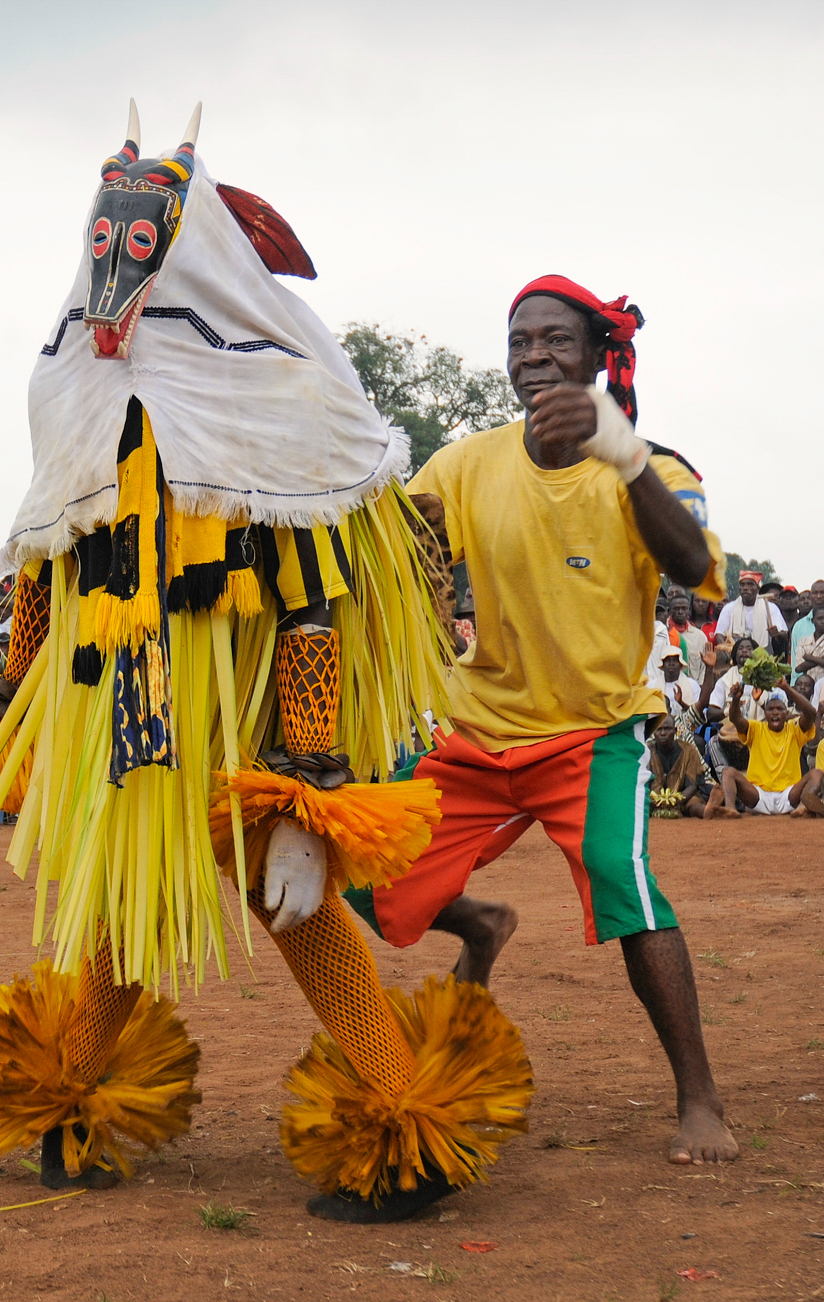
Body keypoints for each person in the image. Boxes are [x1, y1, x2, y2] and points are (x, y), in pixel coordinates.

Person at [0, 103, 517, 1226]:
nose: (113, 272)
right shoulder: (69, 392)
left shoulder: (277, 399)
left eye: (140, 247)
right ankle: (77, 1104)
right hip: (114, 722)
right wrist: (11, 699)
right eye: (105, 243)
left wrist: (307, 791)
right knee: (114, 915)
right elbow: (49, 553)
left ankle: (401, 1121)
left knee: (298, 919)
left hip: (238, 735)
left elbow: (311, 605)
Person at [346, 273, 737, 1168]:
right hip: (479, 730)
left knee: (622, 882)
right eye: (520, 341)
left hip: (595, 731)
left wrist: (625, 455)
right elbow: (402, 555)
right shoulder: (465, 461)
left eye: (556, 340)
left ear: (601, 356)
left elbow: (697, 571)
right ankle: (481, 926)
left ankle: (701, 1099)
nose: (534, 357)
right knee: (360, 866)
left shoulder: (658, 470)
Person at [706, 681, 816, 817]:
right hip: (759, 796)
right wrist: (736, 698)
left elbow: (811, 713)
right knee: (728, 772)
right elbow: (735, 718)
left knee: (816, 773)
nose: (775, 713)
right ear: (765, 713)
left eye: (780, 709)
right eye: (771, 709)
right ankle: (730, 808)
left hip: (789, 796)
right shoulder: (756, 728)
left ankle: (802, 807)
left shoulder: (795, 730)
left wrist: (786, 688)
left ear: (787, 713)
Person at [649, 713, 707, 818]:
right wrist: (656, 801)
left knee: (695, 806)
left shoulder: (689, 751)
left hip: (683, 799)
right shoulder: (647, 752)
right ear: (654, 732)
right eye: (659, 729)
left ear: (675, 731)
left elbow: (692, 786)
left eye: (667, 729)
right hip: (653, 801)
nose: (663, 733)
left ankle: (712, 812)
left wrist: (676, 801)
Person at [713, 571, 784, 648]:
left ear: (758, 589)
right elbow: (719, 634)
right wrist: (728, 650)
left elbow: (783, 633)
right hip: (736, 656)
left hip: (764, 655)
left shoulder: (770, 608)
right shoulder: (729, 608)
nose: (745, 588)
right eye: (742, 585)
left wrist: (777, 634)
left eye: (750, 585)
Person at [668, 593, 708, 683]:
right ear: (669, 610)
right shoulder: (663, 634)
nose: (680, 612)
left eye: (684, 608)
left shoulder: (700, 637)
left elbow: (703, 668)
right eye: (676, 609)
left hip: (693, 689)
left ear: (689, 610)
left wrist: (699, 688)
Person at [790, 580, 824, 654]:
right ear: (811, 596)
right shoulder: (799, 626)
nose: (819, 596)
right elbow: (795, 659)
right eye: (815, 593)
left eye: (822, 592)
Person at [661, 647, 699, 712]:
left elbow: (698, 713)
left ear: (680, 665)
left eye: (675, 660)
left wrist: (681, 702)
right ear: (662, 664)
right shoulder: (652, 686)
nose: (671, 663)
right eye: (668, 660)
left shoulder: (692, 684)